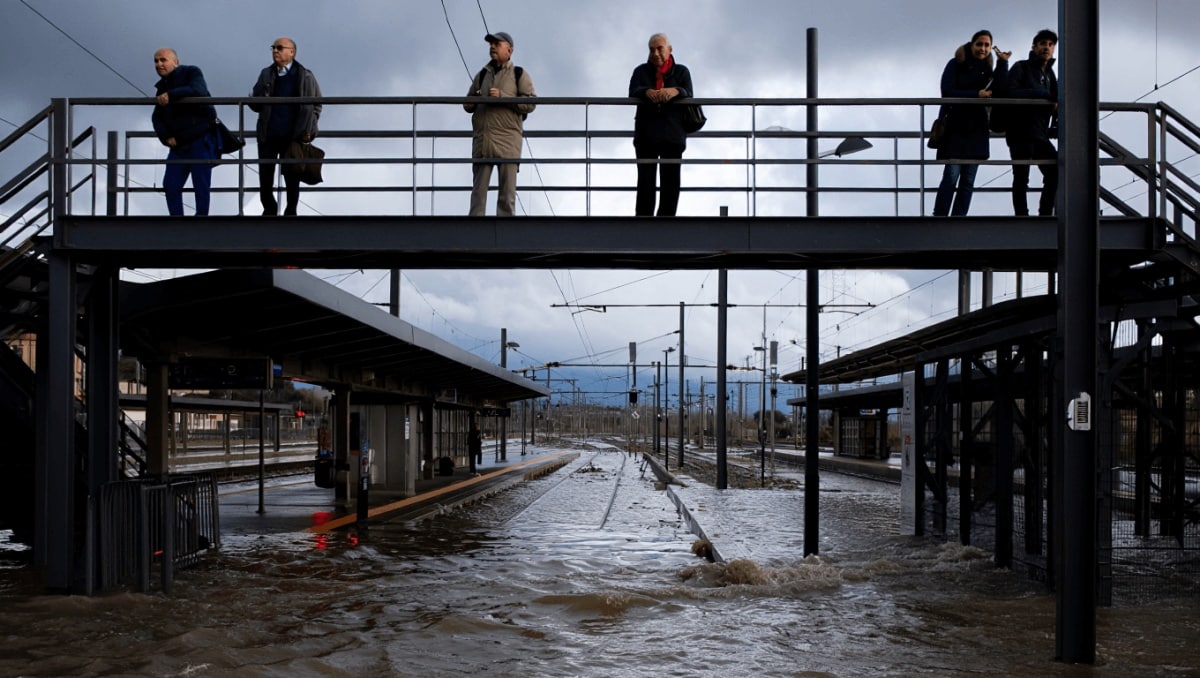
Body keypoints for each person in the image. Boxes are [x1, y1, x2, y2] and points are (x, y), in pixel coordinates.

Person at [932, 31, 1009, 217]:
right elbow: (947, 91)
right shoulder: (955, 63)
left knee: (968, 180)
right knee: (951, 176)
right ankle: (940, 217)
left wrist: (1002, 63)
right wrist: (976, 94)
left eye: (987, 45)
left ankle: (959, 219)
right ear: (972, 44)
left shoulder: (988, 68)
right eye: (979, 44)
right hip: (955, 127)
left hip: (977, 130)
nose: (983, 48)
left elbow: (1001, 89)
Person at [464, 32, 536, 217]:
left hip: (507, 142)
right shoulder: (482, 75)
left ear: (509, 50)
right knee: (478, 193)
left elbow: (530, 104)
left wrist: (503, 97)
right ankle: (475, 226)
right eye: (491, 44)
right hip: (483, 141)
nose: (492, 47)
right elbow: (467, 104)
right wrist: (474, 100)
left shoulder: (518, 74)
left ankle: (506, 228)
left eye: (497, 44)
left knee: (507, 194)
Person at [249, 37, 322, 216]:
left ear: (292, 52)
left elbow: (316, 104)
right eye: (273, 47)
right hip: (269, 133)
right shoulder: (266, 74)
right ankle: (269, 208)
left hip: (293, 135)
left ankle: (291, 210)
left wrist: (310, 130)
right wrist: (255, 98)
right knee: (265, 175)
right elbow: (256, 102)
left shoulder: (305, 75)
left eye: (280, 48)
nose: (275, 51)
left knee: (292, 175)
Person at [629, 33, 694, 217]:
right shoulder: (641, 71)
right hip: (646, 136)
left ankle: (666, 222)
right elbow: (632, 91)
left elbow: (689, 93)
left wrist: (675, 91)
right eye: (652, 49)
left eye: (659, 48)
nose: (655, 53)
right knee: (645, 182)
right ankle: (644, 222)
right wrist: (647, 92)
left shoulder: (681, 71)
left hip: (672, 135)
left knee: (671, 182)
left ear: (669, 50)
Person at [998, 28, 1058, 216]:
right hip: (1020, 132)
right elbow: (1010, 93)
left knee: (1055, 172)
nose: (1046, 48)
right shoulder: (1021, 67)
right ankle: (1022, 217)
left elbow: (1056, 99)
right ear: (1034, 47)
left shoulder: (1050, 74)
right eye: (1043, 44)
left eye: (1050, 45)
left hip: (1040, 134)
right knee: (1021, 177)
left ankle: (1045, 214)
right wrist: (1041, 93)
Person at [151, 48, 218, 216]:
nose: (159, 64)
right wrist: (166, 136)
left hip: (199, 140)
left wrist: (171, 95)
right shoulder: (162, 87)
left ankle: (201, 220)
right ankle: (177, 221)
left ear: (176, 62)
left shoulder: (191, 72)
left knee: (200, 185)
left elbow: (198, 91)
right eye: (156, 61)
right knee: (170, 185)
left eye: (163, 60)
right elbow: (156, 117)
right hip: (179, 145)